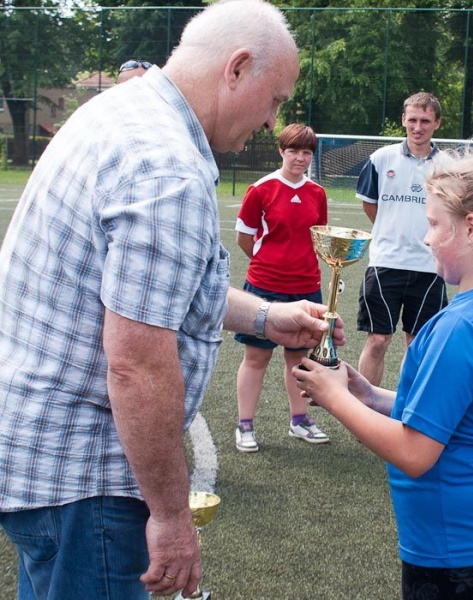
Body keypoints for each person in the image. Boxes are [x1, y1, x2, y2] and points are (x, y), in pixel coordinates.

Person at [0, 2, 344, 599]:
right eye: (275, 99)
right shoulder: (165, 168)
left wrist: (267, 316)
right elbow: (136, 365)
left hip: (42, 459)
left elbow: (159, 294)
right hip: (87, 477)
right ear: (237, 68)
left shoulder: (119, 112)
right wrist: (169, 514)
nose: (273, 121)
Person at [294, 153, 473, 599]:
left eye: (433, 224)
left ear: (471, 229)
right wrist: (367, 394)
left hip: (455, 542)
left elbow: (415, 452)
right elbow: (448, 415)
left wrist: (335, 399)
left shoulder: (460, 327)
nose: (426, 238)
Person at [233, 123, 330, 452]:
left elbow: (319, 238)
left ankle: (299, 420)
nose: (300, 158)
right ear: (281, 151)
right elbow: (244, 238)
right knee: (256, 357)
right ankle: (245, 425)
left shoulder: (317, 193)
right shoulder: (261, 189)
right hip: (265, 287)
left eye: (306, 152)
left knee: (298, 359)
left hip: (306, 288)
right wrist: (269, 264)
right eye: (293, 151)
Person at [355, 91, 448, 386]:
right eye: (413, 120)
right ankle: (364, 406)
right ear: (403, 120)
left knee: (417, 343)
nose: (418, 127)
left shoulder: (448, 166)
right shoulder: (381, 159)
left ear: (437, 123)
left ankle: (407, 407)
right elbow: (370, 204)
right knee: (378, 340)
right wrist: (391, 229)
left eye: (425, 121)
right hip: (386, 263)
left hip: (429, 267)